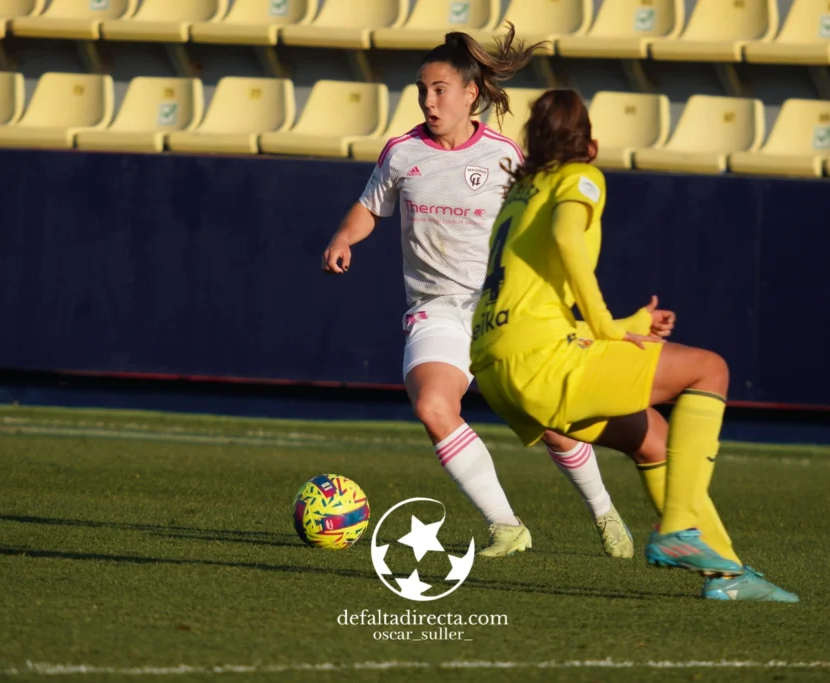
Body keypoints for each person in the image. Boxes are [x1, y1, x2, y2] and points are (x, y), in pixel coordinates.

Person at [321, 26, 657, 560]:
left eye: (439, 90)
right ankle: (507, 526)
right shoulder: (402, 152)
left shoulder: (506, 157)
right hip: (436, 310)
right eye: (421, 90)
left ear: (469, 93)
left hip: (503, 313)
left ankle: (605, 512)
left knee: (553, 424)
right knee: (433, 406)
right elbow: (370, 206)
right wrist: (344, 234)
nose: (428, 101)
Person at [469, 89, 798, 601]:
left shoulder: (521, 192)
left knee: (653, 437)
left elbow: (535, 304)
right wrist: (605, 326)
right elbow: (566, 238)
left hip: (498, 368)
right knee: (710, 369)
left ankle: (729, 576)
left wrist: (629, 322)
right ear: (591, 146)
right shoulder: (581, 176)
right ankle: (679, 531)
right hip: (540, 362)